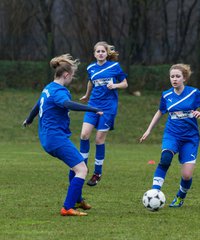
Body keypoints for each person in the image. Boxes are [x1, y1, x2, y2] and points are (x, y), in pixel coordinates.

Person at [23, 54, 104, 216]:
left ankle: (77, 200)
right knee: (82, 169)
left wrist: (29, 119)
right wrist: (92, 109)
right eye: (72, 76)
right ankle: (67, 207)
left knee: (75, 166)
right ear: (66, 75)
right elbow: (67, 104)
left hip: (48, 138)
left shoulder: (48, 88)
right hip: (55, 139)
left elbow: (37, 105)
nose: (72, 79)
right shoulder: (60, 91)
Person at [139, 63, 200, 207]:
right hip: (172, 135)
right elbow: (160, 111)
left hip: (190, 138)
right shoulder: (166, 95)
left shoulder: (194, 93)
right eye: (172, 76)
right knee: (165, 158)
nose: (174, 79)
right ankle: (155, 192)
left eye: (178, 76)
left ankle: (180, 196)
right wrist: (148, 130)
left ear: (184, 78)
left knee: (186, 175)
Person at [79, 41, 128, 186]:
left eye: (103, 51)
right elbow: (90, 82)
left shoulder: (114, 67)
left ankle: (97, 173)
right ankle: (83, 167)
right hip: (93, 105)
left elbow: (125, 83)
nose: (100, 53)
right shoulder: (90, 68)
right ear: (94, 54)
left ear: (107, 53)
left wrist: (116, 85)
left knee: (99, 140)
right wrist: (87, 95)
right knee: (84, 135)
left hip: (108, 108)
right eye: (98, 51)